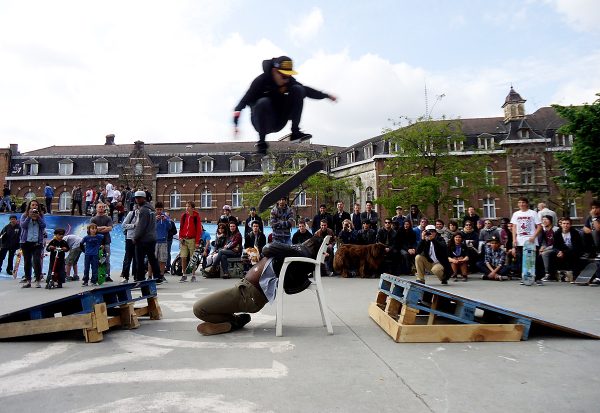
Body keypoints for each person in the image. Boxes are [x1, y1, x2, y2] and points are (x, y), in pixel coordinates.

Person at [193, 234, 325, 335]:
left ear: (311, 244)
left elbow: (268, 248)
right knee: (210, 306)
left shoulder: (300, 251)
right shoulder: (300, 256)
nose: (306, 240)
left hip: (246, 294)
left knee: (199, 309)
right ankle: (236, 320)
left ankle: (234, 322)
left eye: (310, 240)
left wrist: (288, 248)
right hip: (246, 291)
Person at [233, 55, 337, 155]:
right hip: (261, 122)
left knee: (298, 89)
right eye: (283, 76)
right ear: (274, 71)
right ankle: (261, 144)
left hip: (279, 121)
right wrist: (235, 125)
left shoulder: (288, 81)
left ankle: (295, 133)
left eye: (288, 76)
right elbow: (241, 104)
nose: (285, 80)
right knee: (263, 102)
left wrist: (326, 96)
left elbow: (307, 91)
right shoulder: (260, 81)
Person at [133, 191, 164, 284]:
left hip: (143, 239)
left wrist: (136, 237)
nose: (137, 200)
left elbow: (141, 226)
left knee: (140, 259)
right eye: (136, 198)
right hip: (152, 238)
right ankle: (158, 277)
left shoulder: (143, 210)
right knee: (152, 258)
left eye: (139, 198)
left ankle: (140, 278)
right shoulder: (151, 209)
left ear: (144, 198)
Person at [510, 197, 542, 285]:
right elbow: (514, 227)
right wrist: (514, 239)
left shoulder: (533, 213)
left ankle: (537, 278)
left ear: (527, 203)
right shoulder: (516, 214)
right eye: (519, 202)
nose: (521, 204)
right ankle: (524, 277)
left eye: (523, 202)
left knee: (533, 260)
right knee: (521, 260)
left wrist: (534, 236)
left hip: (531, 241)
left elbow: (539, 226)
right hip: (520, 240)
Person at [19, 200, 46, 288]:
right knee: (27, 262)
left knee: (37, 261)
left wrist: (38, 218)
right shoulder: (24, 215)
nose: (34, 207)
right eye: (32, 205)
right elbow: (23, 226)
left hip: (37, 243)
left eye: (36, 205)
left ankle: (38, 280)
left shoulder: (41, 216)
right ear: (29, 206)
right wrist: (29, 217)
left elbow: (43, 226)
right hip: (26, 242)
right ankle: (28, 281)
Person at [552, 217, 584, 281]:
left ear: (570, 225)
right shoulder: (557, 233)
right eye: (564, 223)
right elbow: (555, 246)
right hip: (562, 251)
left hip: (574, 251)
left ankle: (575, 275)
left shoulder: (575, 233)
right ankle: (551, 275)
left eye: (567, 223)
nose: (565, 225)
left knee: (574, 255)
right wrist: (558, 252)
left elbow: (577, 247)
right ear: (561, 224)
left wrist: (563, 252)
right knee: (551, 255)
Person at [178, 201, 203, 279]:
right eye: (186, 206)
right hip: (184, 239)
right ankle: (184, 274)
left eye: (188, 206)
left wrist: (197, 242)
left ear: (193, 208)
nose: (187, 208)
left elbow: (199, 230)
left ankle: (193, 275)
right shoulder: (184, 216)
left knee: (193, 258)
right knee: (183, 257)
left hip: (192, 239)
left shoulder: (196, 217)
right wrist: (180, 237)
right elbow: (181, 228)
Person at [90, 203, 114, 282]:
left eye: (102, 207)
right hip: (96, 242)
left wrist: (98, 229)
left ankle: (107, 275)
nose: (101, 208)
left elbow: (110, 228)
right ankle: (96, 276)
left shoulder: (108, 218)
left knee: (107, 259)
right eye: (99, 207)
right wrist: (104, 227)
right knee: (96, 259)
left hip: (106, 241)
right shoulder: (93, 219)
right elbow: (92, 230)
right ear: (96, 208)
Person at [150, 202, 171, 279]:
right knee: (152, 260)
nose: (159, 211)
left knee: (162, 259)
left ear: (162, 209)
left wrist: (165, 220)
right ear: (155, 209)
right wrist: (155, 220)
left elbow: (169, 227)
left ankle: (161, 275)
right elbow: (148, 226)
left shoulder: (166, 217)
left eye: (160, 209)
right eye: (157, 209)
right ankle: (150, 275)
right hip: (153, 241)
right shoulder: (152, 216)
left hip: (163, 241)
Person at [120, 206, 138, 283]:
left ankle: (137, 276)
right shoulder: (131, 213)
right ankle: (125, 276)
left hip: (139, 239)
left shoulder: (145, 214)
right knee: (128, 258)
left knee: (137, 258)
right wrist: (133, 225)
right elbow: (123, 225)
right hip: (130, 238)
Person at [538, 215, 559, 281]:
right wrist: (542, 247)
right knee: (538, 253)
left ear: (551, 221)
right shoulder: (543, 230)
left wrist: (545, 249)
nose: (544, 221)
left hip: (555, 247)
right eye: (543, 219)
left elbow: (556, 243)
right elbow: (543, 242)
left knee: (544, 253)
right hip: (547, 247)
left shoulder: (556, 229)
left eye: (546, 219)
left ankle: (548, 273)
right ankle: (539, 273)